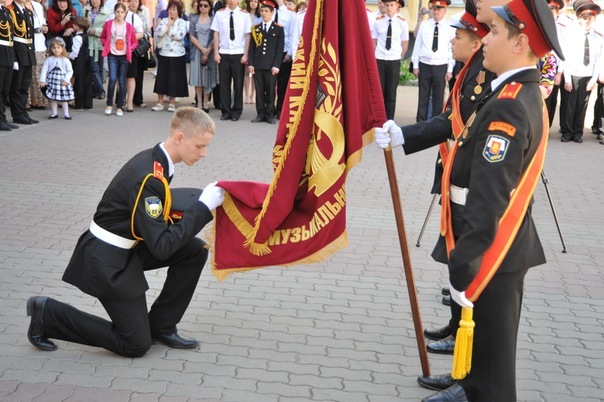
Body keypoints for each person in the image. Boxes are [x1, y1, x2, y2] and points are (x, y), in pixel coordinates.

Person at [375, 0, 563, 399]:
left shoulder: (510, 106)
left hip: (493, 246)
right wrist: (405, 135)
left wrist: (466, 263)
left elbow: (489, 196)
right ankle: (469, 387)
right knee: (486, 360)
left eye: (493, 32)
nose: (484, 40)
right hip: (495, 243)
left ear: (520, 43)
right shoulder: (512, 92)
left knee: (494, 374)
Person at [25, 107, 225, 358]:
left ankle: (161, 326)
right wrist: (203, 208)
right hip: (106, 260)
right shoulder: (150, 177)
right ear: (179, 138)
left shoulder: (156, 161)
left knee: (195, 250)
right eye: (199, 146)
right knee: (136, 345)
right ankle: (48, 314)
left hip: (127, 248)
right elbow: (162, 246)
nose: (203, 153)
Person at [559, 0, 602, 143]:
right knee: (569, 105)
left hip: (587, 75)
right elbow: (565, 57)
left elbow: (598, 60)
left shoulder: (598, 37)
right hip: (572, 74)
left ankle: (578, 133)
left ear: (594, 19)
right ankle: (567, 132)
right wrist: (567, 78)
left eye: (590, 18)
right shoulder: (571, 34)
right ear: (579, 18)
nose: (587, 21)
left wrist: (593, 79)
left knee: (582, 106)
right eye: (584, 18)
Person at [410, 0, 455, 122]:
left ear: (445, 11)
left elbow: (451, 49)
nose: (436, 12)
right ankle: (420, 124)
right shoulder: (425, 25)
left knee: (438, 98)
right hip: (425, 65)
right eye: (434, 9)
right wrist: (415, 65)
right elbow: (417, 45)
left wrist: (450, 69)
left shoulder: (449, 27)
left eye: (439, 9)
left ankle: (435, 125)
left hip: (441, 65)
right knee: (423, 97)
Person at [211, 0, 251, 121]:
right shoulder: (220, 14)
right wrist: (216, 52)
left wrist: (245, 54)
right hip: (224, 52)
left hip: (238, 53)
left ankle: (237, 111)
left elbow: (248, 35)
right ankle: (225, 111)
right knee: (224, 84)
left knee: (238, 85)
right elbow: (216, 34)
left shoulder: (245, 15)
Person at [372, 0, 409, 120]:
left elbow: (404, 43)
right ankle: (379, 119)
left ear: (397, 6)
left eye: (391, 5)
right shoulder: (378, 21)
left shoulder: (402, 22)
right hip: (380, 59)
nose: (389, 8)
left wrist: (398, 57)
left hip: (393, 60)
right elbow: (374, 41)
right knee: (379, 92)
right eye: (387, 5)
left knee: (391, 94)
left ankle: (389, 120)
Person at [248, 0, 284, 124]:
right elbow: (252, 48)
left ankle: (269, 114)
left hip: (271, 66)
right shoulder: (256, 28)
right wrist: (251, 64)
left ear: (272, 12)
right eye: (262, 11)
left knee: (270, 91)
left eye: (266, 11)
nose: (263, 13)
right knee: (259, 91)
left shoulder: (278, 29)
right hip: (258, 64)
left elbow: (279, 49)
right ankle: (260, 114)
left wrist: (276, 65)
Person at [100, 2, 138, 116]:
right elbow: (102, 36)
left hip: (124, 56)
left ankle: (120, 106)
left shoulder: (128, 26)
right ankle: (109, 104)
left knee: (122, 81)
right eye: (117, 12)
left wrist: (130, 48)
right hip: (112, 54)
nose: (120, 14)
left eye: (122, 12)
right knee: (112, 79)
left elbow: (135, 41)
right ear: (114, 12)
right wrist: (106, 45)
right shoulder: (108, 24)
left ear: (125, 13)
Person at [151, 0, 188, 112]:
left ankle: (172, 103)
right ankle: (160, 102)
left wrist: (167, 31)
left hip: (177, 54)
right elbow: (159, 32)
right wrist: (168, 25)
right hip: (164, 53)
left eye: (174, 9)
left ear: (178, 11)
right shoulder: (164, 21)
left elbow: (179, 35)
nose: (171, 11)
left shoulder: (183, 22)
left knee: (174, 79)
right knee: (161, 78)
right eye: (170, 9)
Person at [8, 0, 40, 125]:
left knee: (24, 86)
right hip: (18, 52)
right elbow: (10, 35)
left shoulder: (28, 12)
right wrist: (14, 57)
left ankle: (23, 112)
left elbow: (30, 34)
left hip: (28, 52)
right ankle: (17, 114)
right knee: (16, 86)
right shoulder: (11, 10)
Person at [189, 0, 218, 112]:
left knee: (207, 78)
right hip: (197, 51)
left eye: (205, 5)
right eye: (201, 5)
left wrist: (208, 50)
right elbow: (191, 36)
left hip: (210, 52)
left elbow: (216, 36)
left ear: (210, 7)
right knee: (198, 78)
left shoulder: (213, 19)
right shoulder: (194, 19)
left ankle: (206, 102)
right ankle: (199, 102)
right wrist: (202, 49)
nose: (203, 7)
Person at [40, 37, 75, 119]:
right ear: (51, 49)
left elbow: (70, 71)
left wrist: (67, 79)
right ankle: (54, 113)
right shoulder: (49, 59)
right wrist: (42, 80)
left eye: (58, 48)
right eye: (54, 48)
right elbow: (44, 70)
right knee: (53, 98)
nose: (56, 50)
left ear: (62, 48)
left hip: (62, 82)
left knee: (63, 99)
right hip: (52, 82)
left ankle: (66, 113)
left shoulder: (65, 60)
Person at [272, 0, 296, 119]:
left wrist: (290, 53)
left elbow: (292, 34)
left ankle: (280, 109)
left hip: (284, 51)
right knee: (269, 83)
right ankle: (269, 109)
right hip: (270, 52)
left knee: (282, 84)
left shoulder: (290, 14)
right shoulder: (268, 10)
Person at [84, 0, 110, 100]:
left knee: (99, 68)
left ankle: (96, 91)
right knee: (94, 69)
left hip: (100, 43)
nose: (94, 1)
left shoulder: (107, 13)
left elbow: (107, 29)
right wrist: (88, 30)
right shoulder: (86, 10)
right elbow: (81, 23)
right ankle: (101, 91)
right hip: (89, 43)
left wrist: (95, 31)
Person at [127, 0, 151, 110]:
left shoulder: (143, 14)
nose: (134, 3)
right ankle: (124, 99)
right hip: (127, 48)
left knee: (139, 74)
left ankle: (138, 99)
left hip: (139, 48)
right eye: (132, 1)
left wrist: (139, 36)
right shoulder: (124, 13)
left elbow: (148, 32)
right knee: (127, 75)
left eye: (136, 1)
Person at [0, 0, 19, 131]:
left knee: (4, 90)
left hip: (8, 53)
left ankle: (2, 118)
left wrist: (13, 58)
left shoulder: (5, 11)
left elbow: (10, 35)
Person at [27, 0, 49, 110]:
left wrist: (45, 27)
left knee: (39, 72)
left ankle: (39, 101)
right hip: (26, 42)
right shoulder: (14, 5)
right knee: (27, 73)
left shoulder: (37, 6)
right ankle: (27, 101)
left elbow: (43, 22)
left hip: (40, 42)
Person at [69, 16, 93, 109]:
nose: (73, 25)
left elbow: (75, 52)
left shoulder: (77, 38)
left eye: (75, 25)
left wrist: (69, 56)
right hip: (86, 59)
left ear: (80, 27)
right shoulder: (85, 36)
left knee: (79, 81)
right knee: (86, 80)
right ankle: (87, 103)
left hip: (79, 61)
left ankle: (79, 103)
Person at [244, 0, 261, 104]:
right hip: (245, 45)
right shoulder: (244, 14)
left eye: (256, 1)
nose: (253, 3)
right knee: (246, 72)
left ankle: (253, 95)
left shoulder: (260, 16)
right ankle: (246, 95)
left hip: (257, 46)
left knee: (255, 72)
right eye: (251, 1)